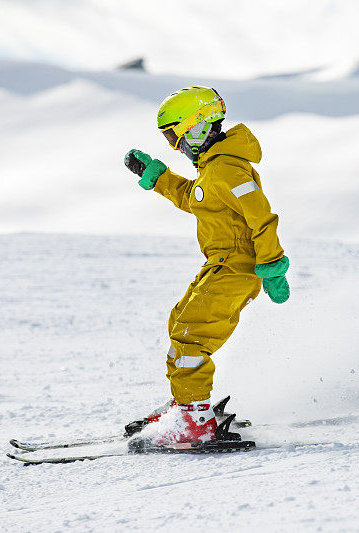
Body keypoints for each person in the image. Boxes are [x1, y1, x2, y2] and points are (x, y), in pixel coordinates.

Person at [124, 86, 289, 445]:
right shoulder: (212, 169)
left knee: (191, 336)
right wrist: (157, 175)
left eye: (175, 137)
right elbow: (194, 198)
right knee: (180, 322)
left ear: (197, 127)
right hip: (220, 264)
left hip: (238, 266)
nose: (175, 147)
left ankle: (194, 422)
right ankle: (187, 406)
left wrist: (273, 266)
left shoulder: (228, 169)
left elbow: (261, 216)